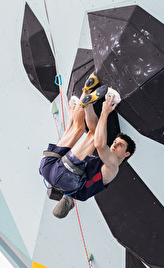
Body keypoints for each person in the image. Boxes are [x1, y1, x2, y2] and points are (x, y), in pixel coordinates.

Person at [39, 72, 136, 218]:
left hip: (65, 176)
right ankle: (86, 93)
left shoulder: (111, 166)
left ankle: (87, 103)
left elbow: (99, 144)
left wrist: (105, 112)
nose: (114, 145)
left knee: (92, 134)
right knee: (77, 128)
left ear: (126, 154)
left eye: (119, 145)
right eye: (116, 142)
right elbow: (71, 132)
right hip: (45, 169)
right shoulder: (79, 192)